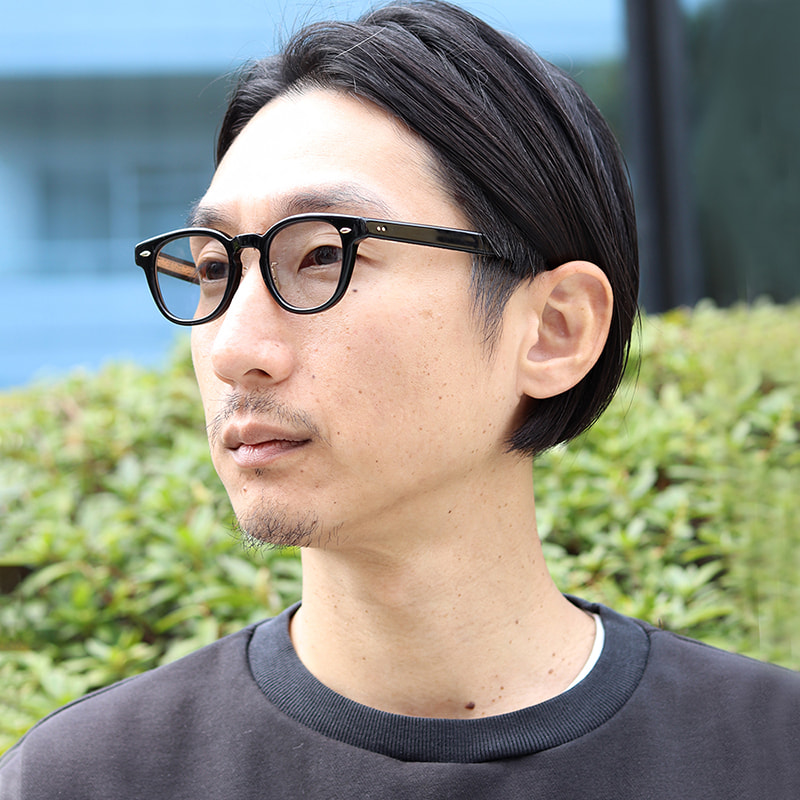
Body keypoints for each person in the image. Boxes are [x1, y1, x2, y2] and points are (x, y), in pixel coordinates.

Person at [1, 1, 797, 797]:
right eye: (214, 270)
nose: (234, 349)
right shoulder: (87, 779)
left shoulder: (769, 754)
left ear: (555, 330)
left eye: (322, 254)